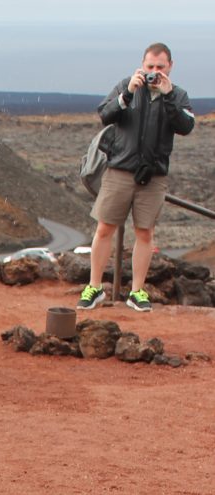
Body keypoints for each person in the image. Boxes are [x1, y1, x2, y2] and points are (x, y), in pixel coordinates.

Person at [78, 43, 194, 312]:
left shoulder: (177, 95)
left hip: (153, 177)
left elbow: (186, 126)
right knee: (105, 228)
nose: (154, 72)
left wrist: (167, 97)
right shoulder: (125, 86)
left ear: (170, 67)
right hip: (120, 170)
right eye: (150, 67)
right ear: (142, 65)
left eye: (160, 68)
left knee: (145, 232)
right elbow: (105, 115)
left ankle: (137, 292)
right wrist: (127, 93)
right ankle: (94, 287)